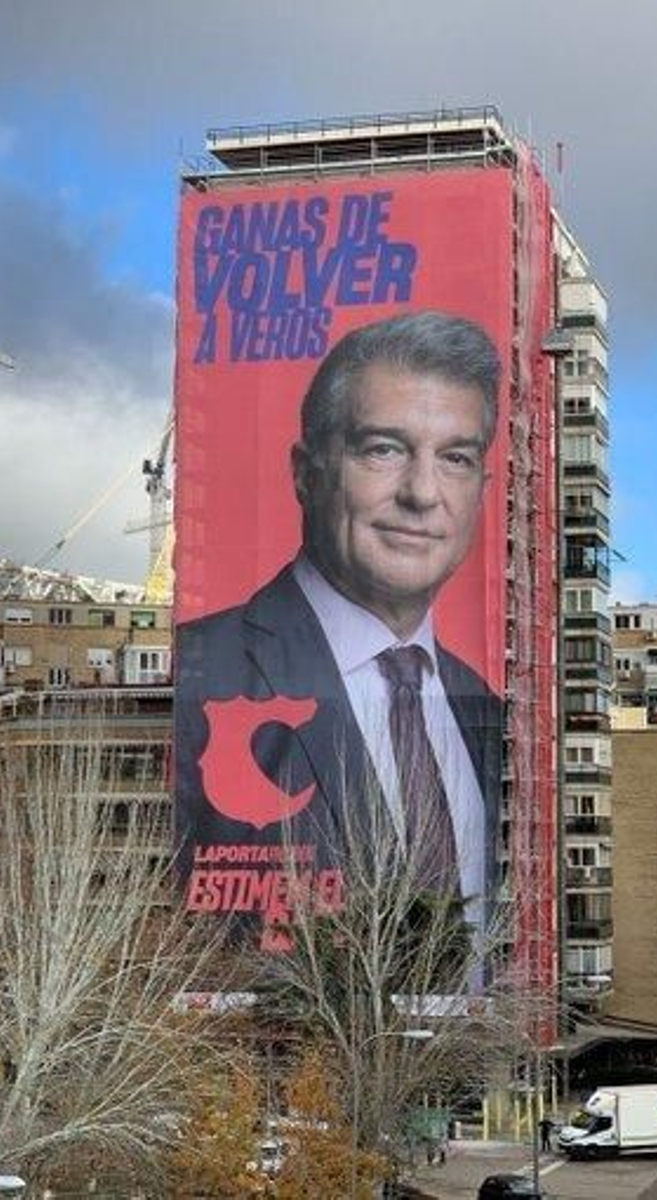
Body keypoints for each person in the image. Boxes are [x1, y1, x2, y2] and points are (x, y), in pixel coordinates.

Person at [175, 311, 504, 933]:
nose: (422, 493)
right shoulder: (200, 672)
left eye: (455, 458)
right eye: (383, 449)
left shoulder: (488, 711)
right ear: (307, 473)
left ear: (483, 490)